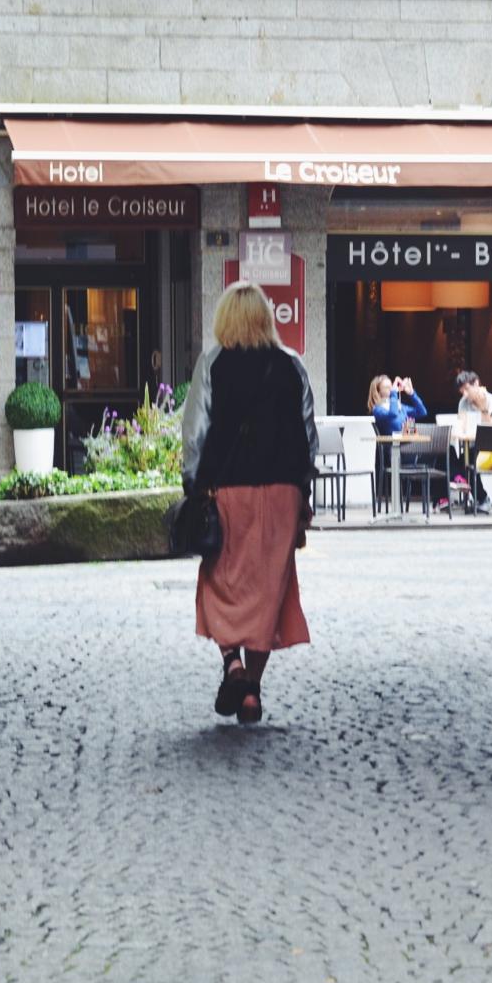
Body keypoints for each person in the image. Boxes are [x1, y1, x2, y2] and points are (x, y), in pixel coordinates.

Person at [181, 281, 317, 725]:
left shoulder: (213, 363)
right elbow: (307, 433)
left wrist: (192, 483)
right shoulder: (291, 364)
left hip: (228, 489)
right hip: (282, 492)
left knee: (219, 581)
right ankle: (252, 691)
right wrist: (304, 492)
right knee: (269, 590)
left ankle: (233, 665)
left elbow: (195, 431)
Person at [368, 375, 430, 512]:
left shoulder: (400, 407)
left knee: (431, 458)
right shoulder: (378, 409)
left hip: (408, 449)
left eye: (391, 386)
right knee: (426, 460)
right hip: (392, 452)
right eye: (386, 387)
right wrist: (394, 394)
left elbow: (422, 412)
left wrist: (411, 393)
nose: (391, 389)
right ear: (378, 391)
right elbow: (392, 414)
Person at [452, 370, 492, 510]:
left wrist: (483, 409)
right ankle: (482, 498)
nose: (465, 394)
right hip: (475, 447)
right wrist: (459, 430)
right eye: (462, 391)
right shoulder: (464, 403)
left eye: (467, 389)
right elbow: (461, 425)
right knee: (463, 461)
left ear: (476, 384)